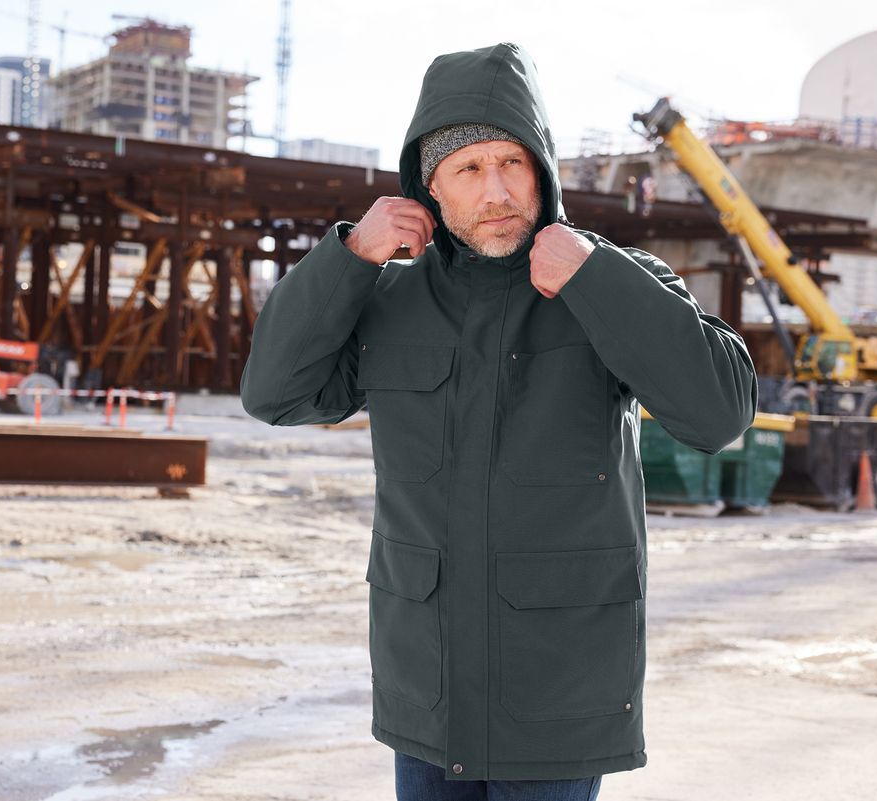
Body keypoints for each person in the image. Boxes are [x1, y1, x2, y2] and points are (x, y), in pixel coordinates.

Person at [240, 42, 757, 800]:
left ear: (543, 170)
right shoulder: (391, 301)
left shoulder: (612, 280)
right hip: (429, 686)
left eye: (512, 162)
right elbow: (274, 392)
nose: (497, 191)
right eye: (469, 169)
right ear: (429, 188)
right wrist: (349, 258)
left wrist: (595, 276)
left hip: (558, 695)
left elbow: (718, 414)